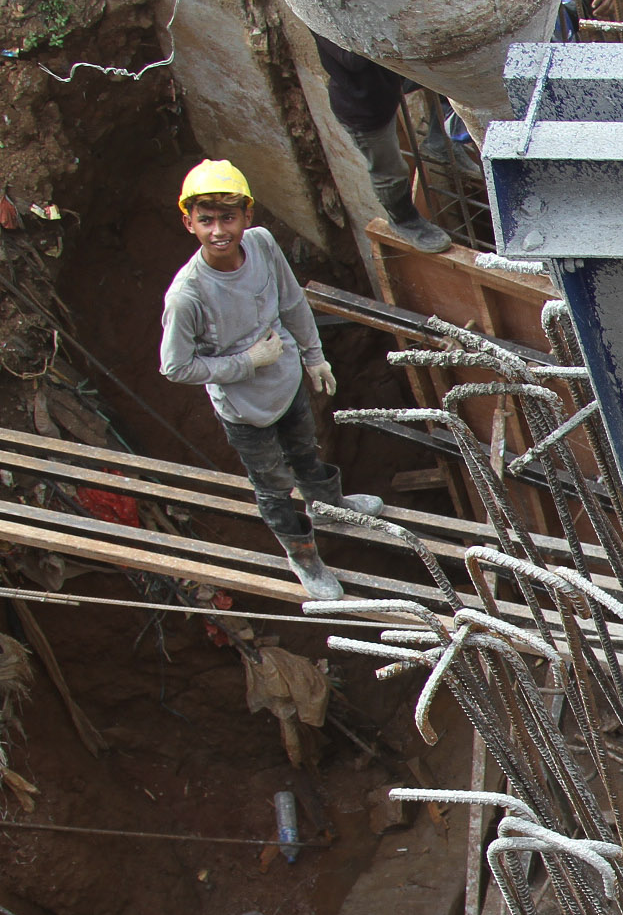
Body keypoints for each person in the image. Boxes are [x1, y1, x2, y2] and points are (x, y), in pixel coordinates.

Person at [159, 160, 383, 602]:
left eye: (228, 217)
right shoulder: (188, 296)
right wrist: (246, 362)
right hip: (245, 410)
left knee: (305, 450)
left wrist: (315, 357)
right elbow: (176, 367)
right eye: (206, 220)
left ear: (248, 216)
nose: (218, 230)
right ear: (189, 223)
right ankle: (303, 556)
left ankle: (330, 508)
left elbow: (292, 300)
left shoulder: (261, 244)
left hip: (288, 382)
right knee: (274, 485)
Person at [311, 31, 453, 254]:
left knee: (449, 69)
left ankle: (440, 142)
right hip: (363, 108)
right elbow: (353, 60)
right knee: (390, 171)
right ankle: (405, 220)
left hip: (388, 82)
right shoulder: (317, 12)